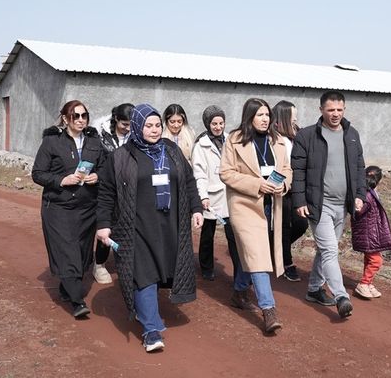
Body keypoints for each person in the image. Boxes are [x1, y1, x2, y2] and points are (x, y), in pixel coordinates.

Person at [95, 103, 204, 352]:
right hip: (136, 225)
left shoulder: (172, 150)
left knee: (163, 267)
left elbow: (188, 181)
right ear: (136, 126)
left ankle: (147, 314)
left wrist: (196, 208)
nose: (154, 130)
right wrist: (103, 225)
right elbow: (106, 193)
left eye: (157, 125)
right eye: (148, 125)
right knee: (144, 272)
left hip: (169, 223)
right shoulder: (121, 157)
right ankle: (151, 330)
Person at [291, 90, 366, 319]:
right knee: (330, 250)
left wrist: (359, 194)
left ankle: (314, 289)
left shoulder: (351, 134)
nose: (335, 114)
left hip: (342, 205)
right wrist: (299, 200)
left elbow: (359, 168)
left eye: (339, 109)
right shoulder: (307, 136)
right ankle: (341, 296)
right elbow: (298, 171)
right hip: (318, 204)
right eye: (331, 109)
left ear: (344, 109)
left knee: (325, 250)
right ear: (321, 109)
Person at [219, 98, 292, 333]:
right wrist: (256, 184)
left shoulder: (277, 140)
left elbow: (286, 169)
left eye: (267, 115)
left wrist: (284, 184)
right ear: (249, 117)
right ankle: (269, 310)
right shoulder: (234, 139)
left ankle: (240, 291)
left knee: (251, 251)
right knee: (258, 253)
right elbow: (226, 173)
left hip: (271, 205)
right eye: (260, 115)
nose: (265, 119)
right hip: (245, 205)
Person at [31, 100, 106, 318]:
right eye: (76, 116)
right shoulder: (52, 142)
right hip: (58, 207)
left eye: (84, 116)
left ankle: (66, 287)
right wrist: (61, 180)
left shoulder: (94, 141)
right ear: (65, 119)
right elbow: (38, 173)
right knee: (67, 251)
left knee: (82, 253)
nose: (81, 120)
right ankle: (77, 301)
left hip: (87, 207)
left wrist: (97, 176)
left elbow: (106, 167)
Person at [191, 105, 243, 283]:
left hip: (230, 194)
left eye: (221, 123)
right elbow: (199, 173)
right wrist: (203, 196)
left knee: (233, 234)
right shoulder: (201, 145)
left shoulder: (231, 140)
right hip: (211, 196)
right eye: (214, 123)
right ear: (207, 124)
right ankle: (206, 267)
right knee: (208, 233)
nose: (218, 127)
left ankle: (240, 272)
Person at [92, 102, 134, 285]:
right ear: (116, 119)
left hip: (129, 189)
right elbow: (95, 160)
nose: (128, 128)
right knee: (106, 225)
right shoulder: (101, 136)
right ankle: (99, 263)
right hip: (106, 187)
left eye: (131, 125)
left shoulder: (136, 136)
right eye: (124, 124)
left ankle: (128, 261)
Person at [271, 100, 308, 282]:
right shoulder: (273, 139)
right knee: (284, 226)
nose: (296, 119)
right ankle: (287, 262)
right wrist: (278, 186)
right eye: (293, 115)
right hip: (282, 189)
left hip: (297, 188)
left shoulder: (296, 136)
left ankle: (275, 248)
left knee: (301, 224)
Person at [351, 165, 391, 299]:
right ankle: (364, 284)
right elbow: (359, 211)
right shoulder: (367, 195)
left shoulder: (368, 192)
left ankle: (368, 283)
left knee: (369, 259)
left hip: (371, 234)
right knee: (376, 261)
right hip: (368, 234)